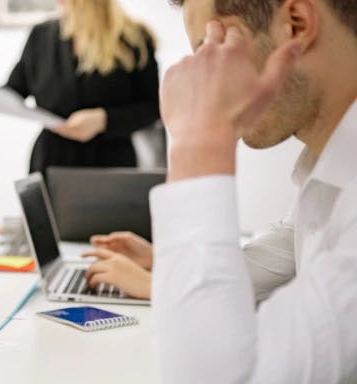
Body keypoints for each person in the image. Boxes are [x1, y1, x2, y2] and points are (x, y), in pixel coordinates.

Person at [151, 0, 355, 382]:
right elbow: (291, 244)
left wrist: (198, 139)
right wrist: (162, 271)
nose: (205, 74)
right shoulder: (331, 166)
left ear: (294, 25)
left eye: (212, 49)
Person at [0, 0, 160, 176]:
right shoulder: (41, 37)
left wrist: (103, 119)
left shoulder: (135, 39)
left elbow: (153, 108)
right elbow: (12, 95)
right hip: (51, 163)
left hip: (110, 166)